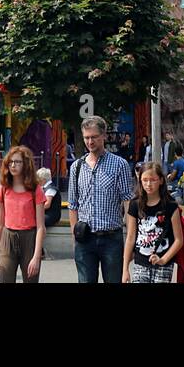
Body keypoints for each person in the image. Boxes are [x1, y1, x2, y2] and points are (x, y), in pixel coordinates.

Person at [67, 115, 136, 283]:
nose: (90, 142)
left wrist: (130, 238)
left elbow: (128, 202)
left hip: (112, 238)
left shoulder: (120, 165)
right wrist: (74, 237)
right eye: (86, 138)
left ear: (104, 136)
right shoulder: (77, 167)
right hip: (84, 239)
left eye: (94, 137)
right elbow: (72, 205)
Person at [0, 146, 45, 284]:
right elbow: (0, 223)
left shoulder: (35, 189)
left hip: (29, 237)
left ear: (26, 164)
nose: (13, 165)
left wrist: (36, 257)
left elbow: (41, 227)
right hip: (8, 237)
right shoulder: (3, 188)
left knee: (31, 280)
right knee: (6, 280)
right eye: (10, 162)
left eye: (17, 162)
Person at [124, 162, 184, 283]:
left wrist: (163, 259)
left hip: (163, 263)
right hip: (140, 262)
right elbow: (130, 237)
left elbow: (179, 240)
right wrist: (125, 269)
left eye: (153, 180)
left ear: (161, 180)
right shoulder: (135, 204)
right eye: (144, 180)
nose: (148, 184)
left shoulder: (170, 205)